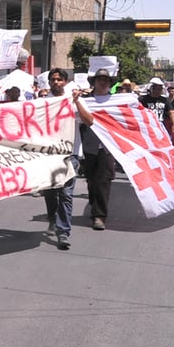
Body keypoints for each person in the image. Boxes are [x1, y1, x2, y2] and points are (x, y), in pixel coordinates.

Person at [42, 68, 82, 250]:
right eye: (53, 80)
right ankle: (52, 218)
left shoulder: (74, 100)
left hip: (70, 154)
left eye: (59, 79)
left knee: (66, 194)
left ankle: (63, 231)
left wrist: (78, 102)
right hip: (49, 154)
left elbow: (89, 121)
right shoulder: (42, 103)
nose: (56, 82)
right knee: (50, 192)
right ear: (49, 82)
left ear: (65, 82)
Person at [79, 69, 116, 231]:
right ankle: (95, 204)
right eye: (99, 79)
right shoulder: (84, 101)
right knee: (92, 181)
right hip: (89, 146)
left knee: (103, 181)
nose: (103, 82)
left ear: (109, 83)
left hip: (107, 147)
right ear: (94, 82)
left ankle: (99, 216)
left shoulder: (116, 101)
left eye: (106, 80)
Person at [139, 77, 174, 145]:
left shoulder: (164, 100)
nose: (158, 91)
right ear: (152, 89)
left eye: (160, 89)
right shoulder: (143, 99)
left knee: (165, 143)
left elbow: (171, 113)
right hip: (148, 126)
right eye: (157, 89)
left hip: (161, 126)